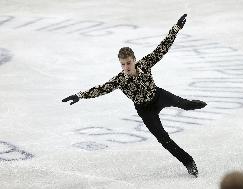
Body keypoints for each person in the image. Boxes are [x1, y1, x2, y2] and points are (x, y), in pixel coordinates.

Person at [62, 14, 207, 177]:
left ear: (134, 60)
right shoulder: (120, 80)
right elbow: (101, 89)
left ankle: (195, 104)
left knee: (186, 105)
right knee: (164, 140)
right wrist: (80, 95)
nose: (126, 67)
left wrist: (176, 28)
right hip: (145, 111)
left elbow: (163, 47)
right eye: (123, 64)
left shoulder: (145, 63)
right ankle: (188, 162)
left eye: (128, 63)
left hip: (158, 96)